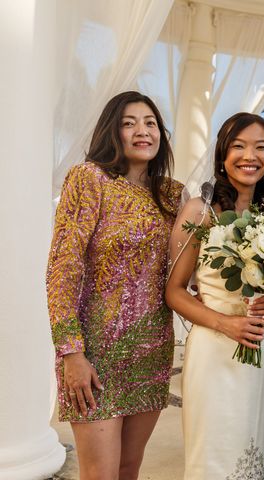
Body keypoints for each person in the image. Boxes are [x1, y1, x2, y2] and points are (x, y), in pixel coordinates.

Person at [46, 91, 183, 479]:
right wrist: (71, 353)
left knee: (128, 468)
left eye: (151, 123)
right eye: (129, 123)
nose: (142, 130)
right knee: (100, 473)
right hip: (94, 355)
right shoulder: (89, 179)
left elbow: (184, 268)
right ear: (113, 131)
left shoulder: (172, 195)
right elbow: (62, 269)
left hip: (152, 352)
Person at [165, 112, 264, 479]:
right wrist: (227, 324)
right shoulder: (199, 212)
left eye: (260, 147)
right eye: (239, 146)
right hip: (216, 348)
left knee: (253, 456)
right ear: (222, 154)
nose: (250, 155)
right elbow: (174, 291)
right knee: (214, 457)